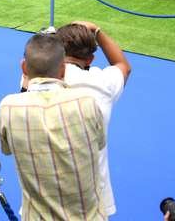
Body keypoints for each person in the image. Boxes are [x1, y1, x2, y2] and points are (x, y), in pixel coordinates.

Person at [0, 33, 106, 221]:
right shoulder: (87, 102)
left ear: (24, 67)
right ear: (63, 70)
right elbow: (100, 143)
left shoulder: (8, 107)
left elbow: (6, 149)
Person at [56, 22, 131, 217]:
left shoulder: (39, 80)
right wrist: (97, 31)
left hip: (47, 193)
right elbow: (123, 66)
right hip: (92, 195)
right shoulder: (103, 83)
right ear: (90, 59)